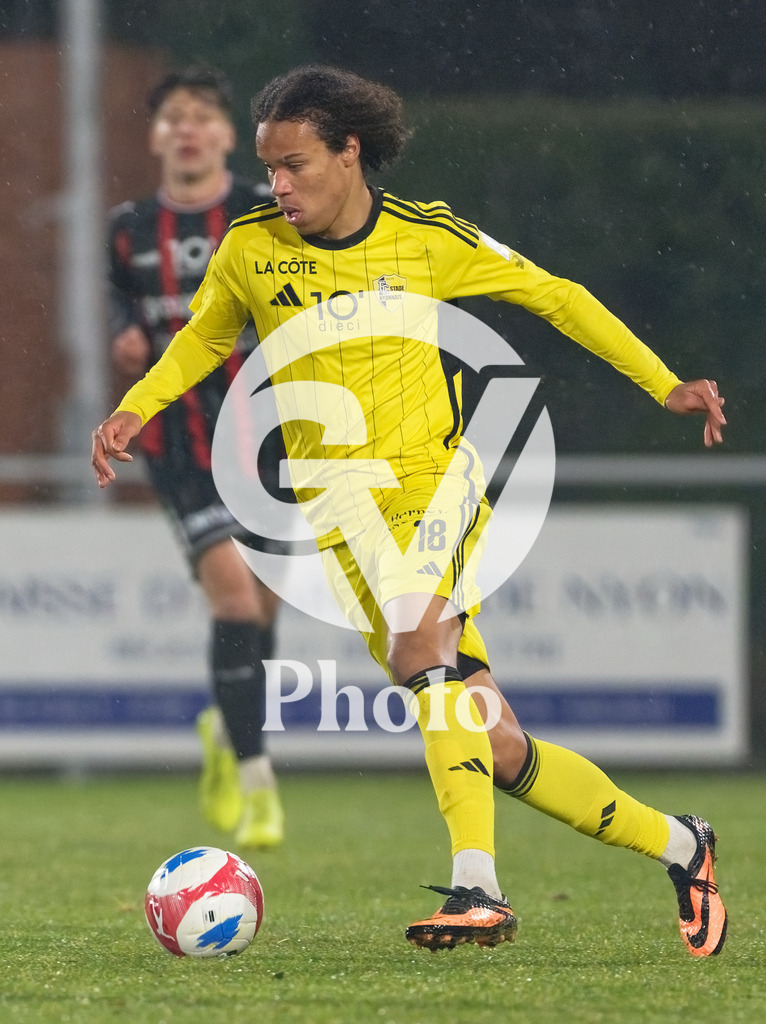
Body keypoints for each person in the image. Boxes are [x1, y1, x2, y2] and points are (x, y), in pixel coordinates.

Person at [93, 65, 728, 956]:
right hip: (340, 517)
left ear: (351, 153)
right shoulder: (250, 246)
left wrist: (665, 385)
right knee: (495, 742)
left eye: (297, 165)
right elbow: (204, 331)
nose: (278, 185)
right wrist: (138, 405)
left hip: (436, 483)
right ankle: (682, 844)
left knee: (419, 647)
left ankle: (480, 890)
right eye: (270, 168)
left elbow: (559, 296)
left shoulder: (429, 237)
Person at [106, 67, 285, 848]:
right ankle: (259, 786)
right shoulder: (127, 227)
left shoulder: (260, 210)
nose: (186, 128)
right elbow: (124, 301)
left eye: (201, 117)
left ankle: (228, 724)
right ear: (155, 138)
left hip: (270, 434)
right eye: (172, 117)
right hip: (178, 441)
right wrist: (127, 332)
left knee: (268, 607)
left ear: (223, 136)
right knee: (237, 603)